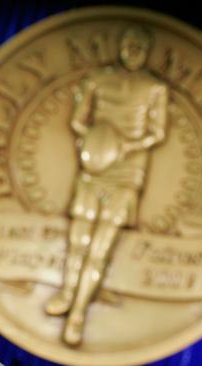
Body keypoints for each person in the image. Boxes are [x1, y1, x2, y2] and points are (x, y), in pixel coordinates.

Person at [43, 25, 168, 346]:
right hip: (93, 168)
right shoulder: (97, 79)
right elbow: (77, 120)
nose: (133, 52)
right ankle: (68, 294)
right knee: (78, 239)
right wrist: (93, 144)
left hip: (127, 173)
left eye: (140, 46)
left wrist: (123, 148)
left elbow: (157, 133)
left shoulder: (155, 88)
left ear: (147, 50)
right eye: (129, 44)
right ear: (122, 45)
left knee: (100, 250)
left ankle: (79, 314)